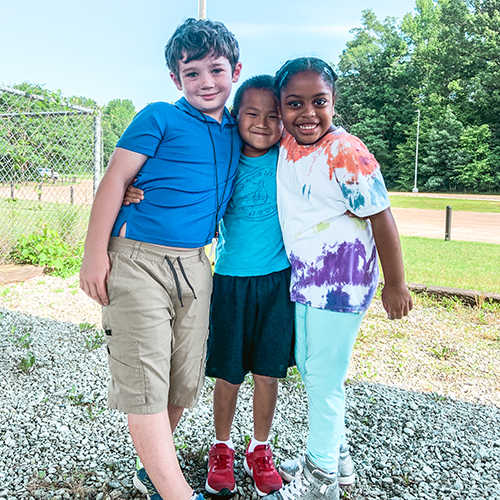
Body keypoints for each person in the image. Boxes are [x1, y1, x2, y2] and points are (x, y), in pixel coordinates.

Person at [79, 18, 242, 500]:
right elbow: (114, 180)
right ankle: (179, 494)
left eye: (216, 70)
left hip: (196, 264)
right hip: (137, 260)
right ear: (176, 79)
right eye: (192, 73)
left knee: (182, 380)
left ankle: (151, 467)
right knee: (145, 383)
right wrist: (94, 255)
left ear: (235, 69)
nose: (206, 82)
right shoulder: (158, 117)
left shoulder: (241, 128)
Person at [263, 57, 413, 500]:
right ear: (281, 107)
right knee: (312, 369)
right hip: (307, 278)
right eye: (294, 103)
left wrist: (396, 282)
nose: (308, 113)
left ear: (334, 103)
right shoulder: (288, 144)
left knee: (324, 377)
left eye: (319, 102)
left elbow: (382, 215)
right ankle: (336, 459)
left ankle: (321, 480)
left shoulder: (345, 150)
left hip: (342, 280)